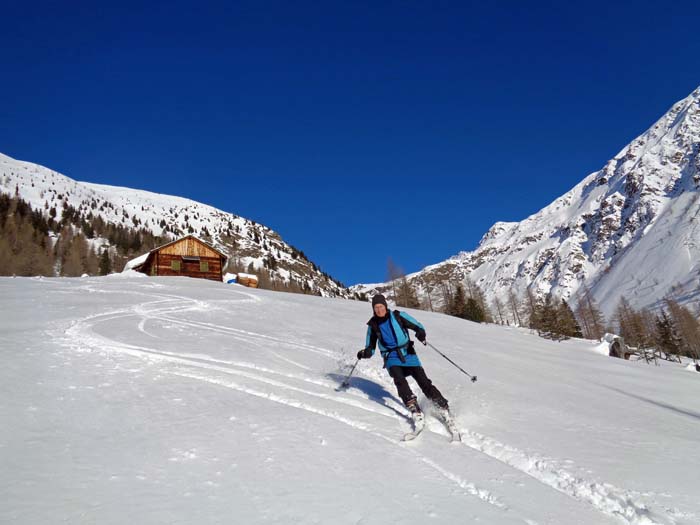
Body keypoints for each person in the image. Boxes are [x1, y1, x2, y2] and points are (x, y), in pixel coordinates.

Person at [357, 294, 449, 418]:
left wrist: (420, 333)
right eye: (376, 307)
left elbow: (417, 326)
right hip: (391, 357)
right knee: (399, 380)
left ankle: (443, 406)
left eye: (381, 306)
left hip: (408, 353)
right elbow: (370, 346)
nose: (379, 310)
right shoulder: (373, 325)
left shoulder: (398, 316)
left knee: (424, 381)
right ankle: (412, 404)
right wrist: (365, 353)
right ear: (373, 309)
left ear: (385, 306)